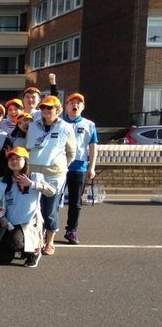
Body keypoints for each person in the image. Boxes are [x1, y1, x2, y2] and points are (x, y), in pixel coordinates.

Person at [26, 95, 75, 256]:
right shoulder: (33, 125)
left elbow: (71, 153)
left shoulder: (66, 127)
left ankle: (50, 242)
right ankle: (36, 241)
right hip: (34, 172)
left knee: (49, 210)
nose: (46, 110)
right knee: (34, 209)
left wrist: (59, 166)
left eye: (50, 108)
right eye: (43, 108)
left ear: (58, 110)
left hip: (55, 175)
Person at [0, 147, 55, 268]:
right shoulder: (4, 181)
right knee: (2, 258)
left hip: (28, 223)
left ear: (26, 161)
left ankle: (34, 252)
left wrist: (32, 184)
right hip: (10, 224)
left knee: (15, 243)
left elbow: (52, 192)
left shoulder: (35, 177)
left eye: (18, 158)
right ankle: (22, 248)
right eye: (11, 159)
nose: (14, 161)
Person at [62, 93, 98, 245]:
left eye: (78, 103)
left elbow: (93, 146)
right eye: (71, 102)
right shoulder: (59, 122)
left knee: (75, 202)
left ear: (83, 107)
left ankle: (71, 230)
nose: (75, 105)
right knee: (52, 199)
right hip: (59, 166)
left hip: (79, 167)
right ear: (66, 106)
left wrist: (92, 167)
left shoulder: (89, 125)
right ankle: (47, 228)